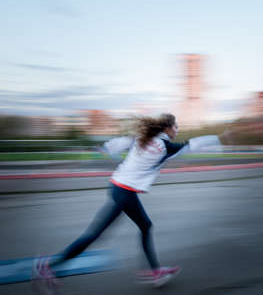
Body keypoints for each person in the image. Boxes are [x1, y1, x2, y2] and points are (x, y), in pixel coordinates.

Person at [31, 113, 221, 289]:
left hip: (118, 187)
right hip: (125, 193)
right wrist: (217, 138)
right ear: (167, 128)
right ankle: (48, 266)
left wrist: (105, 148)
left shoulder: (142, 139)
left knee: (144, 226)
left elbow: (117, 144)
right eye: (176, 126)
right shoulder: (166, 147)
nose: (177, 130)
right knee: (98, 234)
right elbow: (192, 144)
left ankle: (155, 271)